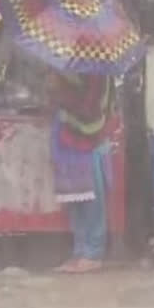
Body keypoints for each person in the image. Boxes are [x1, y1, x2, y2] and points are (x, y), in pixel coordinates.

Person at [47, 71, 114, 273]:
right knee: (74, 197)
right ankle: (80, 251)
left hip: (88, 140)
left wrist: (60, 90)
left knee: (92, 199)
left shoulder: (98, 71)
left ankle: (93, 253)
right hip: (69, 140)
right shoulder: (73, 66)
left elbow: (90, 109)